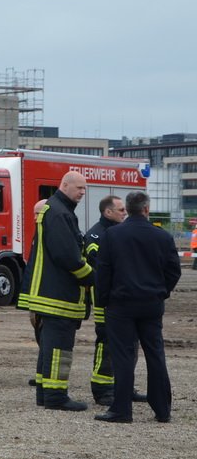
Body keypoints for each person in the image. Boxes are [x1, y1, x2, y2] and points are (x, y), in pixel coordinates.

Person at [94, 192, 180, 424]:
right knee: (155, 354)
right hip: (151, 304)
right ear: (146, 209)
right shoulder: (162, 237)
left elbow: (103, 272)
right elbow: (174, 270)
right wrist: (162, 292)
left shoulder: (112, 235)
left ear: (128, 210)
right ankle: (162, 409)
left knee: (123, 356)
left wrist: (103, 300)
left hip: (120, 305)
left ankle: (122, 409)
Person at [19, 172, 92, 411]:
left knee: (49, 347)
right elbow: (67, 255)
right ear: (65, 185)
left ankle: (45, 393)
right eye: (79, 187)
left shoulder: (56, 209)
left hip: (48, 293)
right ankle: (55, 396)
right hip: (58, 295)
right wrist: (91, 277)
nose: (82, 192)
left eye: (85, 188)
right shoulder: (60, 213)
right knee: (59, 347)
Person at [84, 195, 127, 405]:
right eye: (120, 210)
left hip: (121, 297)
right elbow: (100, 265)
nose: (125, 213)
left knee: (126, 344)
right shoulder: (95, 235)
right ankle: (101, 389)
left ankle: (122, 385)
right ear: (107, 212)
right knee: (106, 342)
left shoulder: (119, 232)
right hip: (104, 298)